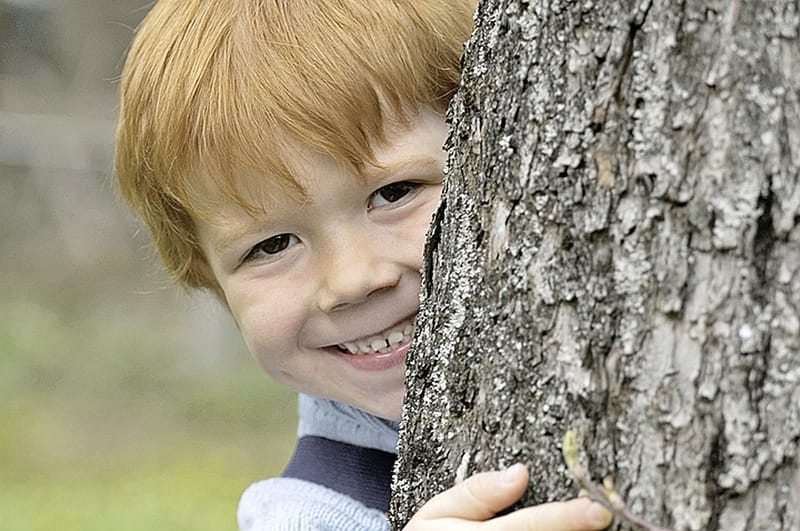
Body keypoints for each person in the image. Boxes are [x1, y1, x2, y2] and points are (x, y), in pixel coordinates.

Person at [114, 1, 614, 529]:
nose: (352, 280)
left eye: (394, 192)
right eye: (272, 244)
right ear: (209, 279)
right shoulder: (307, 519)